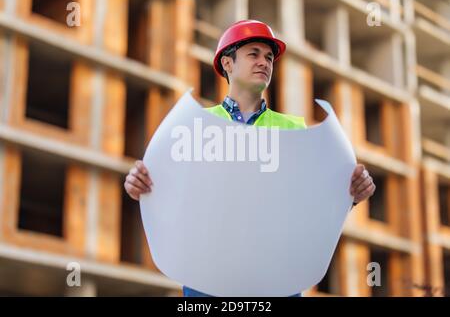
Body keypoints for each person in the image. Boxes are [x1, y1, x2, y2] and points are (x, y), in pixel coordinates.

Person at [124, 20, 376, 297]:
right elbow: (175, 191)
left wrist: (349, 196)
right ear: (228, 64)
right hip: (208, 277)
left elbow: (309, 204)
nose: (264, 62)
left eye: (269, 57)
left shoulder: (294, 130)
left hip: (277, 277)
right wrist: (141, 186)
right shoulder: (196, 126)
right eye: (253, 54)